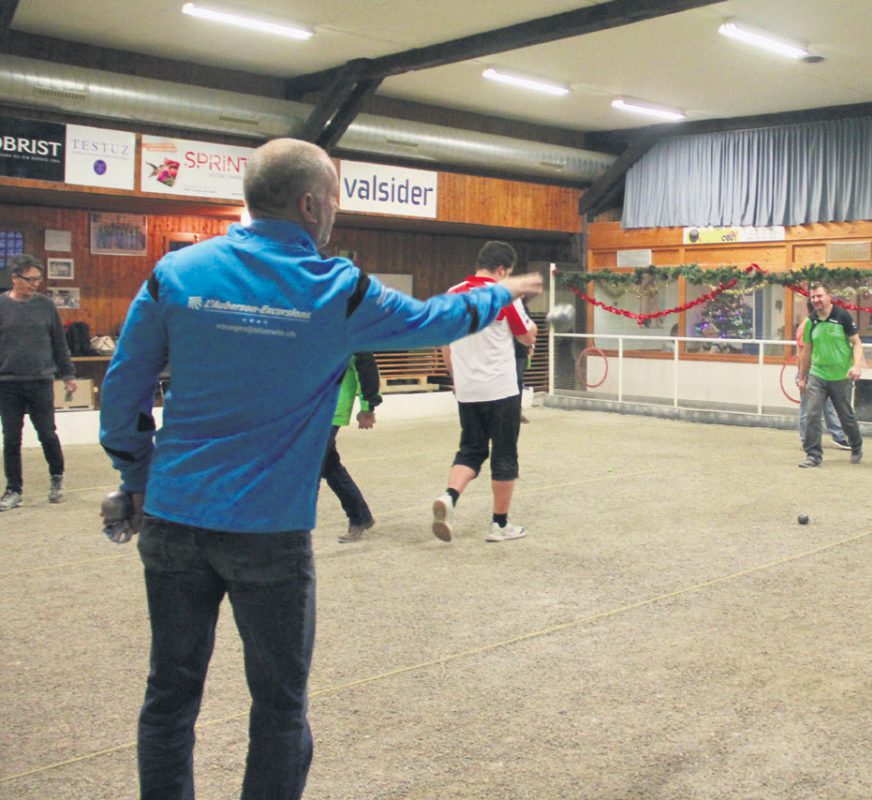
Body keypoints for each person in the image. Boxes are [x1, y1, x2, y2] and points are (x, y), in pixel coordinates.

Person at [99, 138, 542, 800]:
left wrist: (136, 478)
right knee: (278, 709)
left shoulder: (175, 274)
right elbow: (433, 320)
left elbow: (121, 394)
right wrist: (497, 294)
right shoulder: (336, 289)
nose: (334, 211)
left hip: (173, 515)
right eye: (334, 198)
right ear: (311, 204)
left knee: (169, 696)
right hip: (269, 531)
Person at [433, 241, 537, 543]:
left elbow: (445, 343)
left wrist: (456, 377)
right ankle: (499, 525)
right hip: (501, 389)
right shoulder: (504, 295)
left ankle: (450, 497)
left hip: (467, 389)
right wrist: (533, 331)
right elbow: (525, 336)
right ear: (503, 269)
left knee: (471, 449)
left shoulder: (453, 293)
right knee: (504, 454)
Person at [0, 254, 76, 511]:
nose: (35, 284)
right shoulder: (1, 305)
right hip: (8, 383)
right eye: (30, 279)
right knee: (11, 438)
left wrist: (68, 375)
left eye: (38, 279)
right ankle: (13, 489)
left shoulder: (46, 306)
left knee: (47, 434)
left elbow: (59, 343)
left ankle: (56, 478)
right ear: (14, 278)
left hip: (41, 380)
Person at [796, 283, 864, 467]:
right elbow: (807, 351)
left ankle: (856, 445)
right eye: (813, 297)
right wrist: (802, 377)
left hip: (841, 376)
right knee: (812, 414)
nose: (816, 300)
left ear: (829, 296)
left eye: (819, 296)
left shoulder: (842, 316)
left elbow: (856, 344)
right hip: (817, 375)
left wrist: (856, 366)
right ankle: (813, 455)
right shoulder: (811, 321)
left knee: (845, 416)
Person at [323, 353, 383, 543]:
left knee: (315, 465)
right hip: (316, 406)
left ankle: (358, 517)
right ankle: (361, 517)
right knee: (328, 465)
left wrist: (368, 406)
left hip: (332, 406)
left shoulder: (347, 327)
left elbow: (366, 366)